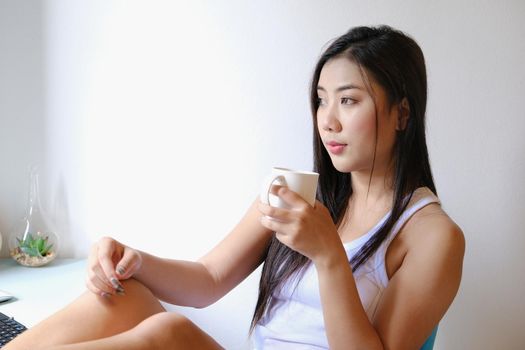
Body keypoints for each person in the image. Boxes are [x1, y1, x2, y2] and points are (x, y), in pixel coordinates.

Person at [6, 25, 465, 350]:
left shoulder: (432, 236)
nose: (328, 120)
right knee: (123, 297)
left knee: (169, 335)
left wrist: (328, 257)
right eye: (321, 100)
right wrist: (135, 260)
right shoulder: (300, 192)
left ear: (402, 114)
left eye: (348, 100)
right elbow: (208, 279)